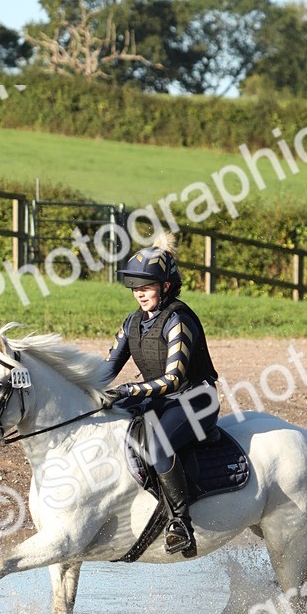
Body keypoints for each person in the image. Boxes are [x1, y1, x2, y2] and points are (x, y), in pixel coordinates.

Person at [103, 232, 220, 557]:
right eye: (136, 287)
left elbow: (173, 379)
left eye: (147, 287)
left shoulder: (179, 320)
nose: (140, 293)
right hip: (160, 399)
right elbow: (105, 371)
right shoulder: (132, 323)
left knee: (156, 445)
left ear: (166, 286)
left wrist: (128, 390)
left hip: (197, 400)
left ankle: (180, 523)